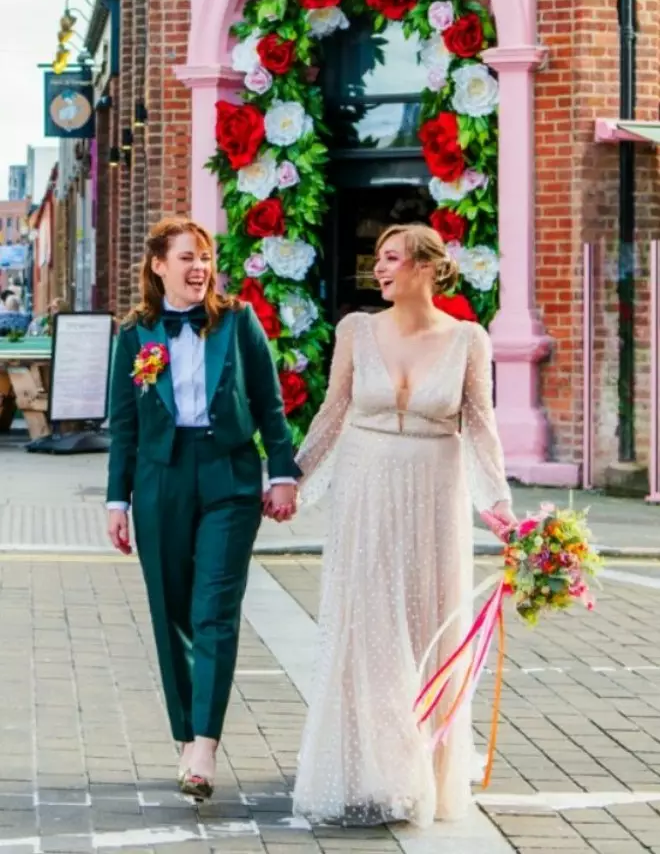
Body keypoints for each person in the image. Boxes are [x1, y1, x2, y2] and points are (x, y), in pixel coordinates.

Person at [292, 223, 516, 829]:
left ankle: (418, 771)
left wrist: (502, 512)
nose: (380, 270)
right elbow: (332, 411)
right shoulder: (355, 330)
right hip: (365, 490)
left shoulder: (469, 339)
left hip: (436, 493)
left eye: (391, 259)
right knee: (366, 628)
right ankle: (368, 768)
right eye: (378, 260)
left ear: (424, 267)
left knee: (422, 628)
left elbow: (482, 427)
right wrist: (293, 478)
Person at [106, 217, 299, 800]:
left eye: (207, 257)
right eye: (187, 257)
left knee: (215, 609)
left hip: (230, 477)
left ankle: (204, 746)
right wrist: (117, 499)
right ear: (158, 265)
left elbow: (269, 403)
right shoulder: (135, 334)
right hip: (159, 479)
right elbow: (124, 426)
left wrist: (283, 473)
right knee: (172, 612)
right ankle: (185, 732)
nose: (200, 268)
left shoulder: (238, 322)